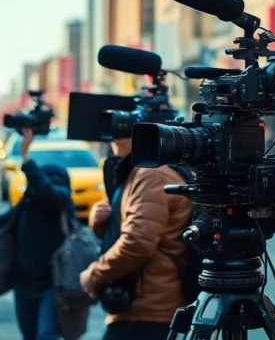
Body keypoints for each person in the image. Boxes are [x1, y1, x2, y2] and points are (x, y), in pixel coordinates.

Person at [81, 136, 193, 340]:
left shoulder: (152, 175)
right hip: (145, 308)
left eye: (122, 131)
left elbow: (137, 242)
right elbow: (125, 230)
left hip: (150, 309)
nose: (112, 138)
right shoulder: (138, 171)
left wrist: (95, 275)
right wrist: (99, 222)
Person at [0, 129, 74, 340]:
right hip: (24, 283)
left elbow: (50, 193)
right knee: (29, 335)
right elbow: (6, 220)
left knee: (47, 335)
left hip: (52, 283)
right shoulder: (28, 204)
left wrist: (25, 157)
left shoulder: (60, 205)